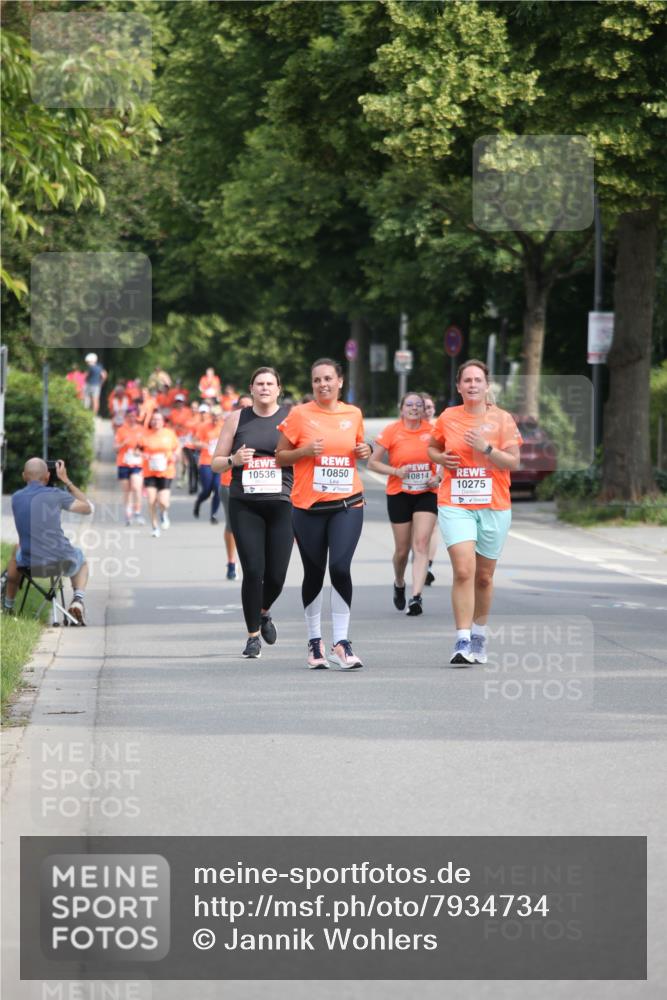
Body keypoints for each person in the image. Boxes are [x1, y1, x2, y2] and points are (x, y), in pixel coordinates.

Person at [275, 358, 371, 670]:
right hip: (308, 507)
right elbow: (279, 457)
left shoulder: (353, 414)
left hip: (347, 503)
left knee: (341, 568)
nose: (323, 384)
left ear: (340, 381)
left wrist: (364, 451)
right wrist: (303, 452)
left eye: (328, 379)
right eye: (317, 380)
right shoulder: (300, 415)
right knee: (314, 573)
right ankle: (315, 641)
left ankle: (341, 642)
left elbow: (358, 448)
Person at [427, 359, 522, 666]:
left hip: (494, 505)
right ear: (459, 386)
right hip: (455, 502)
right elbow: (431, 448)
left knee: (483, 577)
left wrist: (487, 448)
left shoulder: (503, 419)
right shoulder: (448, 417)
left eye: (477, 380)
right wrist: (441, 457)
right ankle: (462, 639)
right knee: (464, 570)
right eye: (466, 380)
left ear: (486, 385)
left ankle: (479, 635)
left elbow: (514, 463)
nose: (472, 385)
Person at [212, 368, 294, 658]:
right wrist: (233, 460)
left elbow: (306, 454)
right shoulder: (237, 418)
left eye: (270, 383)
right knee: (254, 571)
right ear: (251, 389)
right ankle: (252, 637)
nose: (264, 388)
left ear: (278, 389)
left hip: (282, 503)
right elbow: (215, 463)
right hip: (245, 504)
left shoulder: (291, 418)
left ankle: (263, 611)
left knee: (277, 576)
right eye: (259, 384)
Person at [368, 393, 440, 616]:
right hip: (399, 493)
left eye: (418, 405)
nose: (414, 408)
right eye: (409, 404)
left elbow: (445, 458)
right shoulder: (392, 430)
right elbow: (373, 463)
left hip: (427, 492)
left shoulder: (433, 431)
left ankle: (416, 597)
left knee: (421, 544)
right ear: (401, 409)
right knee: (402, 550)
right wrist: (396, 472)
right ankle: (399, 582)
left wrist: (438, 477)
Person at [3, 458, 93, 624]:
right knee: (81, 558)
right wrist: (66, 480)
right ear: (47, 476)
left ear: (24, 476)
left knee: (16, 551)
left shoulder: (16, 498)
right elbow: (88, 508)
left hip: (31, 565)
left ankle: (8, 606)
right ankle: (78, 601)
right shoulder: (57, 495)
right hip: (61, 562)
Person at [140, 411, 181, 538]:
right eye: (153, 419)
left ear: (163, 422)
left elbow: (177, 447)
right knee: (151, 500)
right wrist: (143, 455)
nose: (155, 422)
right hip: (150, 471)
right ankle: (154, 526)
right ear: (150, 422)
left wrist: (175, 455)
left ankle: (163, 513)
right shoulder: (145, 435)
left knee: (163, 502)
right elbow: (137, 450)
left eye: (158, 419)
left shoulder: (169, 434)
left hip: (166, 471)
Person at [114, 408, 145, 525]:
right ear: (126, 417)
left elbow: (146, 448)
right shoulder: (121, 430)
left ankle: (137, 512)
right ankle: (128, 513)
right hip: (123, 463)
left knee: (136, 488)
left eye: (134, 416)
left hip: (137, 463)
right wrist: (123, 443)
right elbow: (115, 448)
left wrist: (139, 452)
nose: (132, 418)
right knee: (126, 490)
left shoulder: (141, 430)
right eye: (130, 416)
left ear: (136, 417)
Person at [193, 410, 224, 523]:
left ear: (220, 416)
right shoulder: (203, 427)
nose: (215, 419)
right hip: (206, 461)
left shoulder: (224, 427)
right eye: (214, 416)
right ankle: (199, 502)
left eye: (217, 416)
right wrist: (203, 444)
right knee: (207, 490)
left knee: (217, 488)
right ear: (211, 416)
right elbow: (195, 442)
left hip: (220, 461)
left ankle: (213, 514)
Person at [421, 393, 438, 586]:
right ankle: (419, 557)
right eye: (424, 407)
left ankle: (428, 566)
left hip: (435, 483)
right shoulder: (409, 428)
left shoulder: (439, 427)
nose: (427, 410)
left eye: (430, 407)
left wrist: (439, 477)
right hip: (412, 487)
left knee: (433, 528)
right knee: (417, 532)